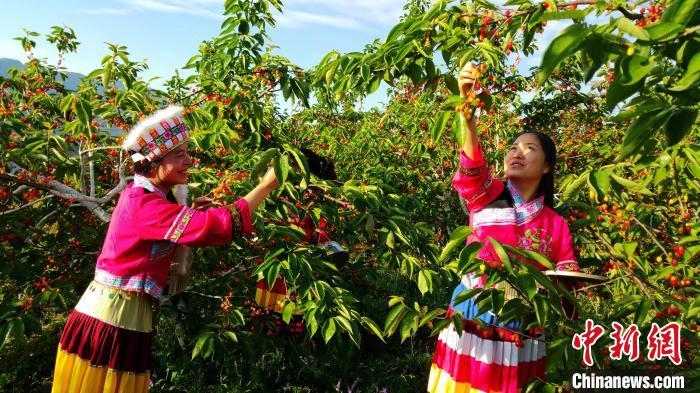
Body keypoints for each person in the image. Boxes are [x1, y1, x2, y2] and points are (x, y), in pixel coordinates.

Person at [51, 105, 280, 393]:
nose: (189, 161)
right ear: (153, 162)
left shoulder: (148, 197)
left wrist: (189, 214)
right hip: (113, 320)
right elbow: (214, 227)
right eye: (179, 155)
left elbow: (172, 229)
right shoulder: (144, 204)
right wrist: (266, 186)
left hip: (120, 315)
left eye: (187, 153)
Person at [427, 64, 580, 393]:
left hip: (522, 327)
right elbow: (471, 166)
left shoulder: (556, 224)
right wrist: (467, 115)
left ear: (548, 166)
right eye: (512, 147)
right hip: (473, 314)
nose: (517, 152)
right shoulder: (487, 194)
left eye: (529, 148)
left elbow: (568, 282)